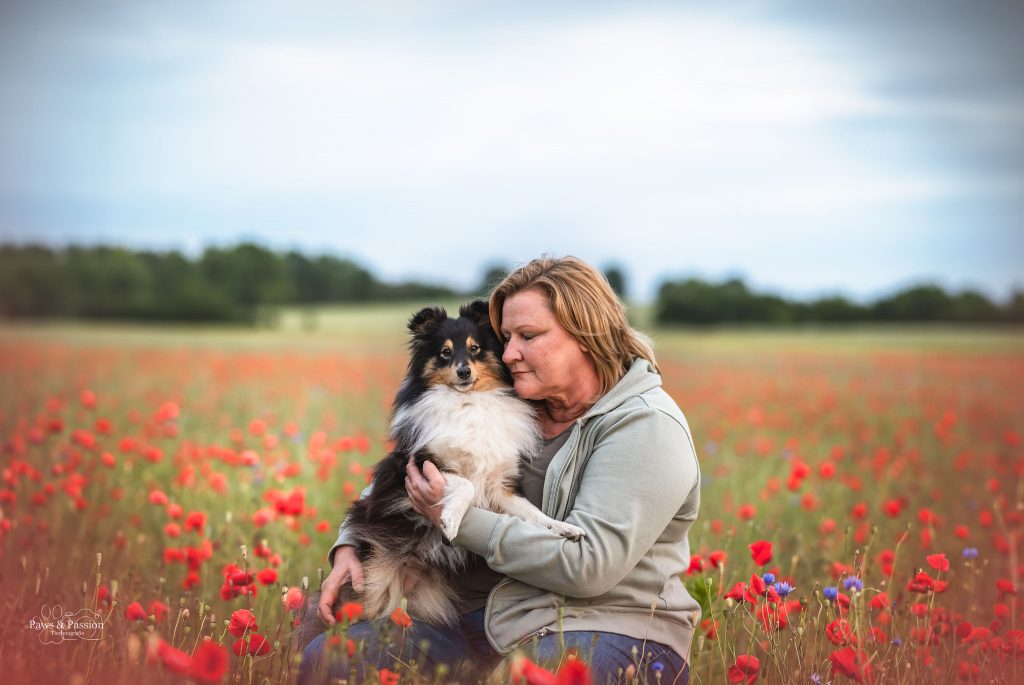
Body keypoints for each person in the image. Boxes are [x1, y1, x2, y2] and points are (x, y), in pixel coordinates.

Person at [299, 256, 701, 684]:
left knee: (532, 676)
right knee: (336, 656)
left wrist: (460, 520)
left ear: (586, 336)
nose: (509, 353)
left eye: (528, 336)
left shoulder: (646, 427)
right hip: (488, 619)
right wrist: (348, 544)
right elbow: (412, 470)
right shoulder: (515, 398)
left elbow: (590, 566)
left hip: (613, 625)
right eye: (505, 337)